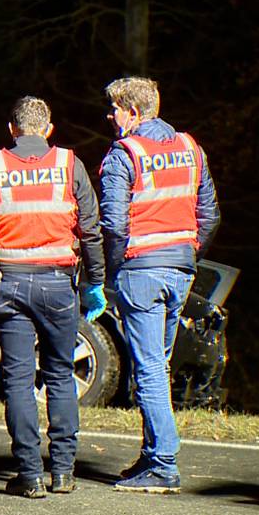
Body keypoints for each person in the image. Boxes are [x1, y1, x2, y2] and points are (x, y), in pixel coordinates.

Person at [0, 96, 107, 497]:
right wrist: (95, 281)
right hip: (59, 284)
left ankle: (29, 474)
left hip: (10, 284)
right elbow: (91, 228)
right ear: (49, 129)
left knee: (19, 380)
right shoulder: (70, 165)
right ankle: (63, 472)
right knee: (59, 375)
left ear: (12, 129)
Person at [98, 77, 220, 494]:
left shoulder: (124, 154)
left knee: (148, 367)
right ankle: (151, 455)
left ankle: (164, 462)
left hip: (141, 271)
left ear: (132, 113)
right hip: (180, 270)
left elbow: (113, 224)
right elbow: (210, 214)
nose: (111, 117)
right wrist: (188, 254)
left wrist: (114, 271)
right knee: (158, 365)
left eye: (115, 109)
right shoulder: (191, 148)